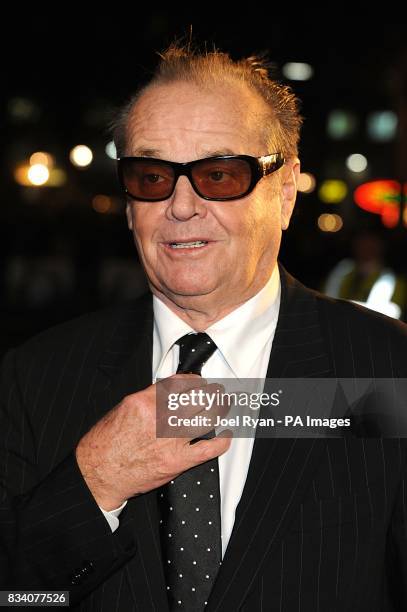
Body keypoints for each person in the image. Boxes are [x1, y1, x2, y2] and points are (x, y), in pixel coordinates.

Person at [1, 42, 407, 612]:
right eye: (151, 176)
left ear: (285, 191)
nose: (181, 205)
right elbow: (21, 598)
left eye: (219, 174)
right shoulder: (35, 377)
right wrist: (91, 486)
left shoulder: (387, 371)